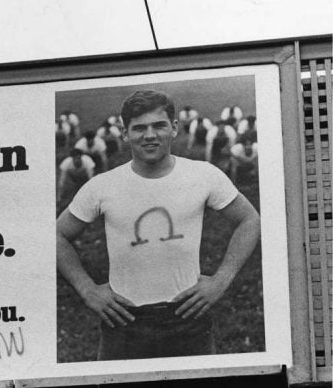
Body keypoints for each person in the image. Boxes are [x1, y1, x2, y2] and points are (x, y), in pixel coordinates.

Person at [56, 89, 261, 360]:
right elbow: (57, 235)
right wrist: (87, 289)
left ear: (174, 128)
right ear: (125, 133)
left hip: (188, 318)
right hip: (123, 321)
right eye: (139, 128)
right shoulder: (102, 185)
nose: (150, 135)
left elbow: (249, 220)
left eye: (159, 125)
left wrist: (221, 280)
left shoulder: (203, 175)